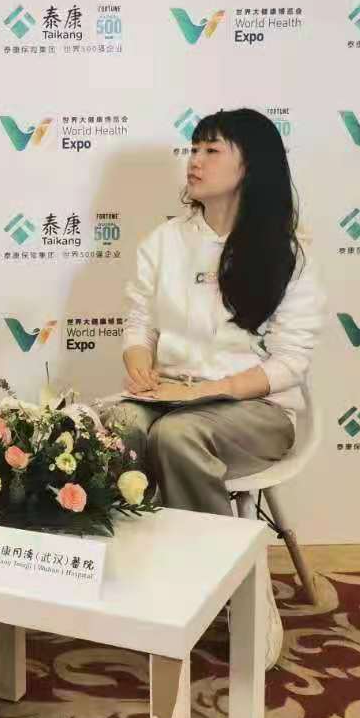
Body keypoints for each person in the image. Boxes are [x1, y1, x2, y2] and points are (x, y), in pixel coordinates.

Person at [114, 108, 324, 669]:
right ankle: (139, 584)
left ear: (249, 166)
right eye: (194, 148)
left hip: (256, 408)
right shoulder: (164, 241)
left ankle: (231, 593)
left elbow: (290, 363)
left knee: (179, 437)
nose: (195, 161)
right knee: (114, 428)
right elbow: (139, 323)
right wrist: (140, 366)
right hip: (171, 393)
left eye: (212, 150)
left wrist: (211, 392)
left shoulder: (287, 253)